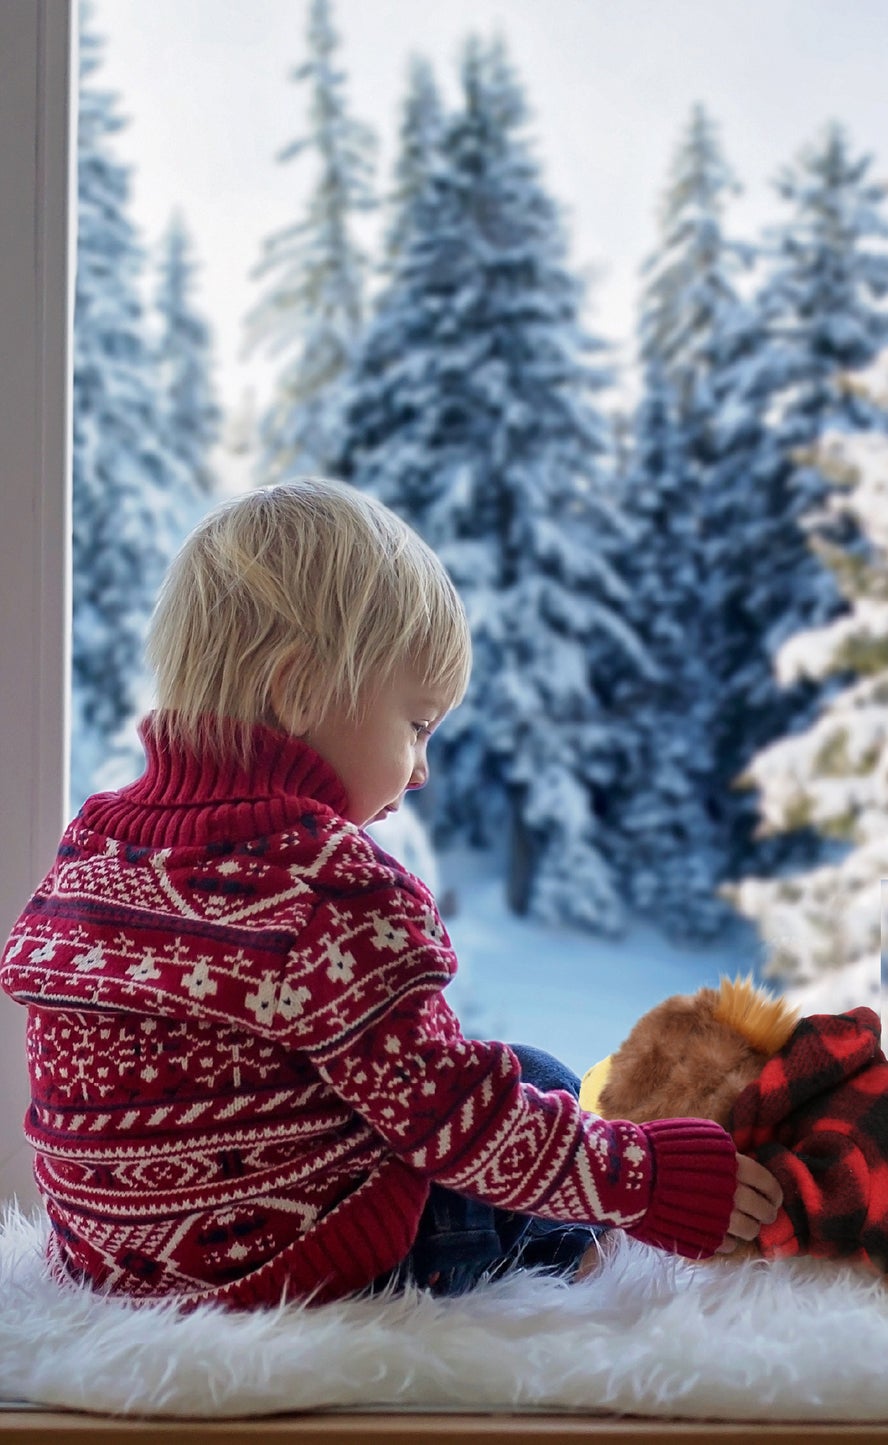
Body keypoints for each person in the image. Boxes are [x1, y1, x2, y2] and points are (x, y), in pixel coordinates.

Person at [0, 478, 781, 1309]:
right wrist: (650, 1178)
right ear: (298, 689)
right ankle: (586, 1261)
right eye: (415, 725)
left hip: (109, 1263)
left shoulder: (93, 845)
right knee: (536, 1078)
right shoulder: (331, 886)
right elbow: (455, 1119)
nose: (420, 770)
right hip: (304, 1267)